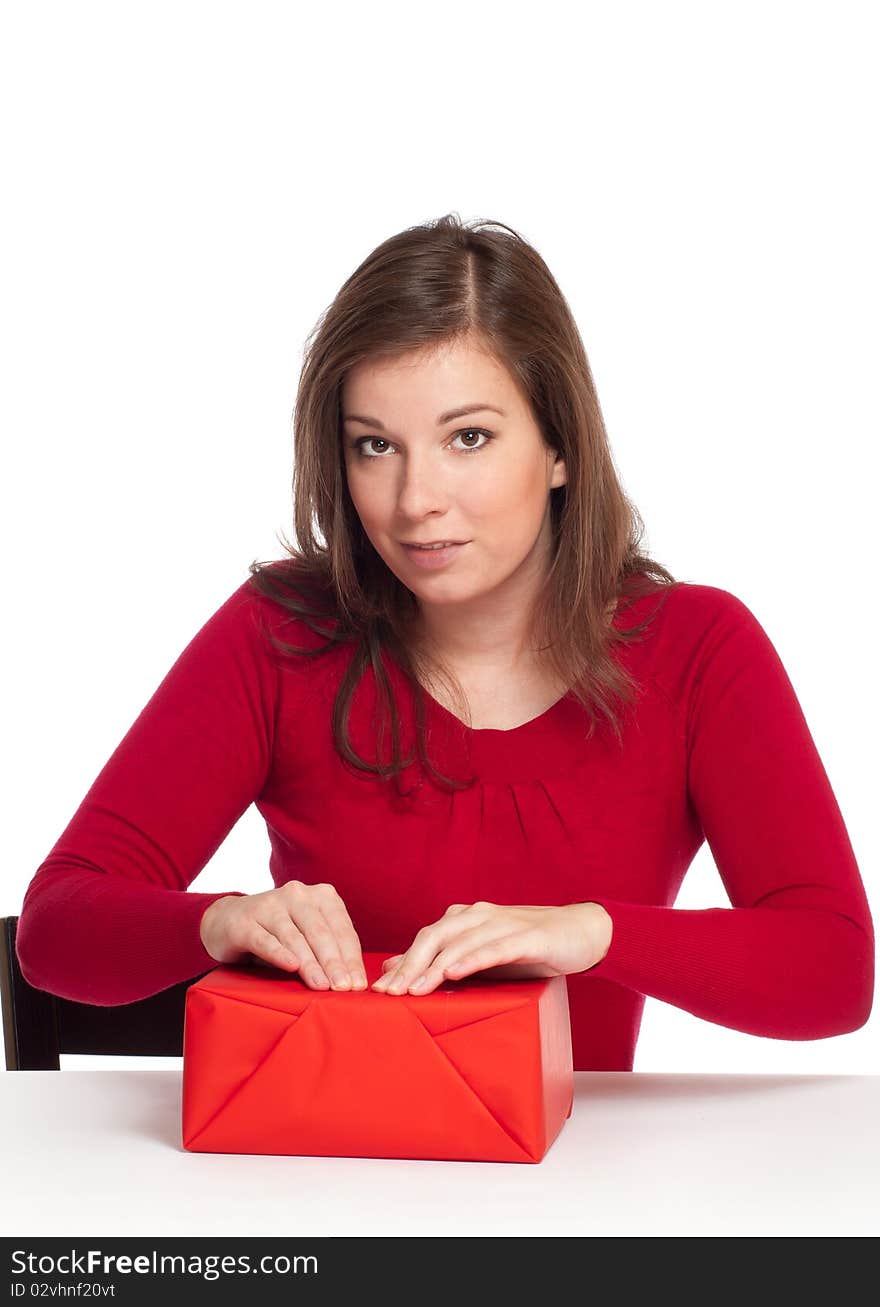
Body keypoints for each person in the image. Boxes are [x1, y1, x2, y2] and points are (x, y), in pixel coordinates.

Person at [15, 214, 874, 1071]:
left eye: (468, 437)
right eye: (374, 445)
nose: (414, 498)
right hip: (320, 1175)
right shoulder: (280, 632)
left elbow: (835, 973)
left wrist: (591, 932)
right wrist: (219, 922)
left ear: (559, 447)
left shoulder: (696, 649)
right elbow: (55, 929)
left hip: (579, 1190)